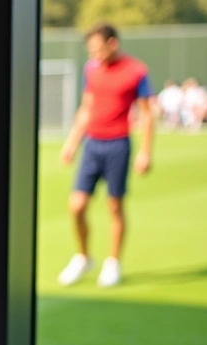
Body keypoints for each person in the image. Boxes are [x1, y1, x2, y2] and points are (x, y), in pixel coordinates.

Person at [58, 23, 154, 288]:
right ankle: (83, 256)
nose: (95, 55)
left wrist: (145, 152)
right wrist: (72, 142)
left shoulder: (136, 71)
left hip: (118, 144)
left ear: (113, 43)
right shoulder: (91, 69)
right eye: (91, 51)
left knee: (114, 206)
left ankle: (113, 263)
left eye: (99, 49)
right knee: (76, 206)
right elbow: (86, 107)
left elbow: (147, 113)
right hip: (92, 144)